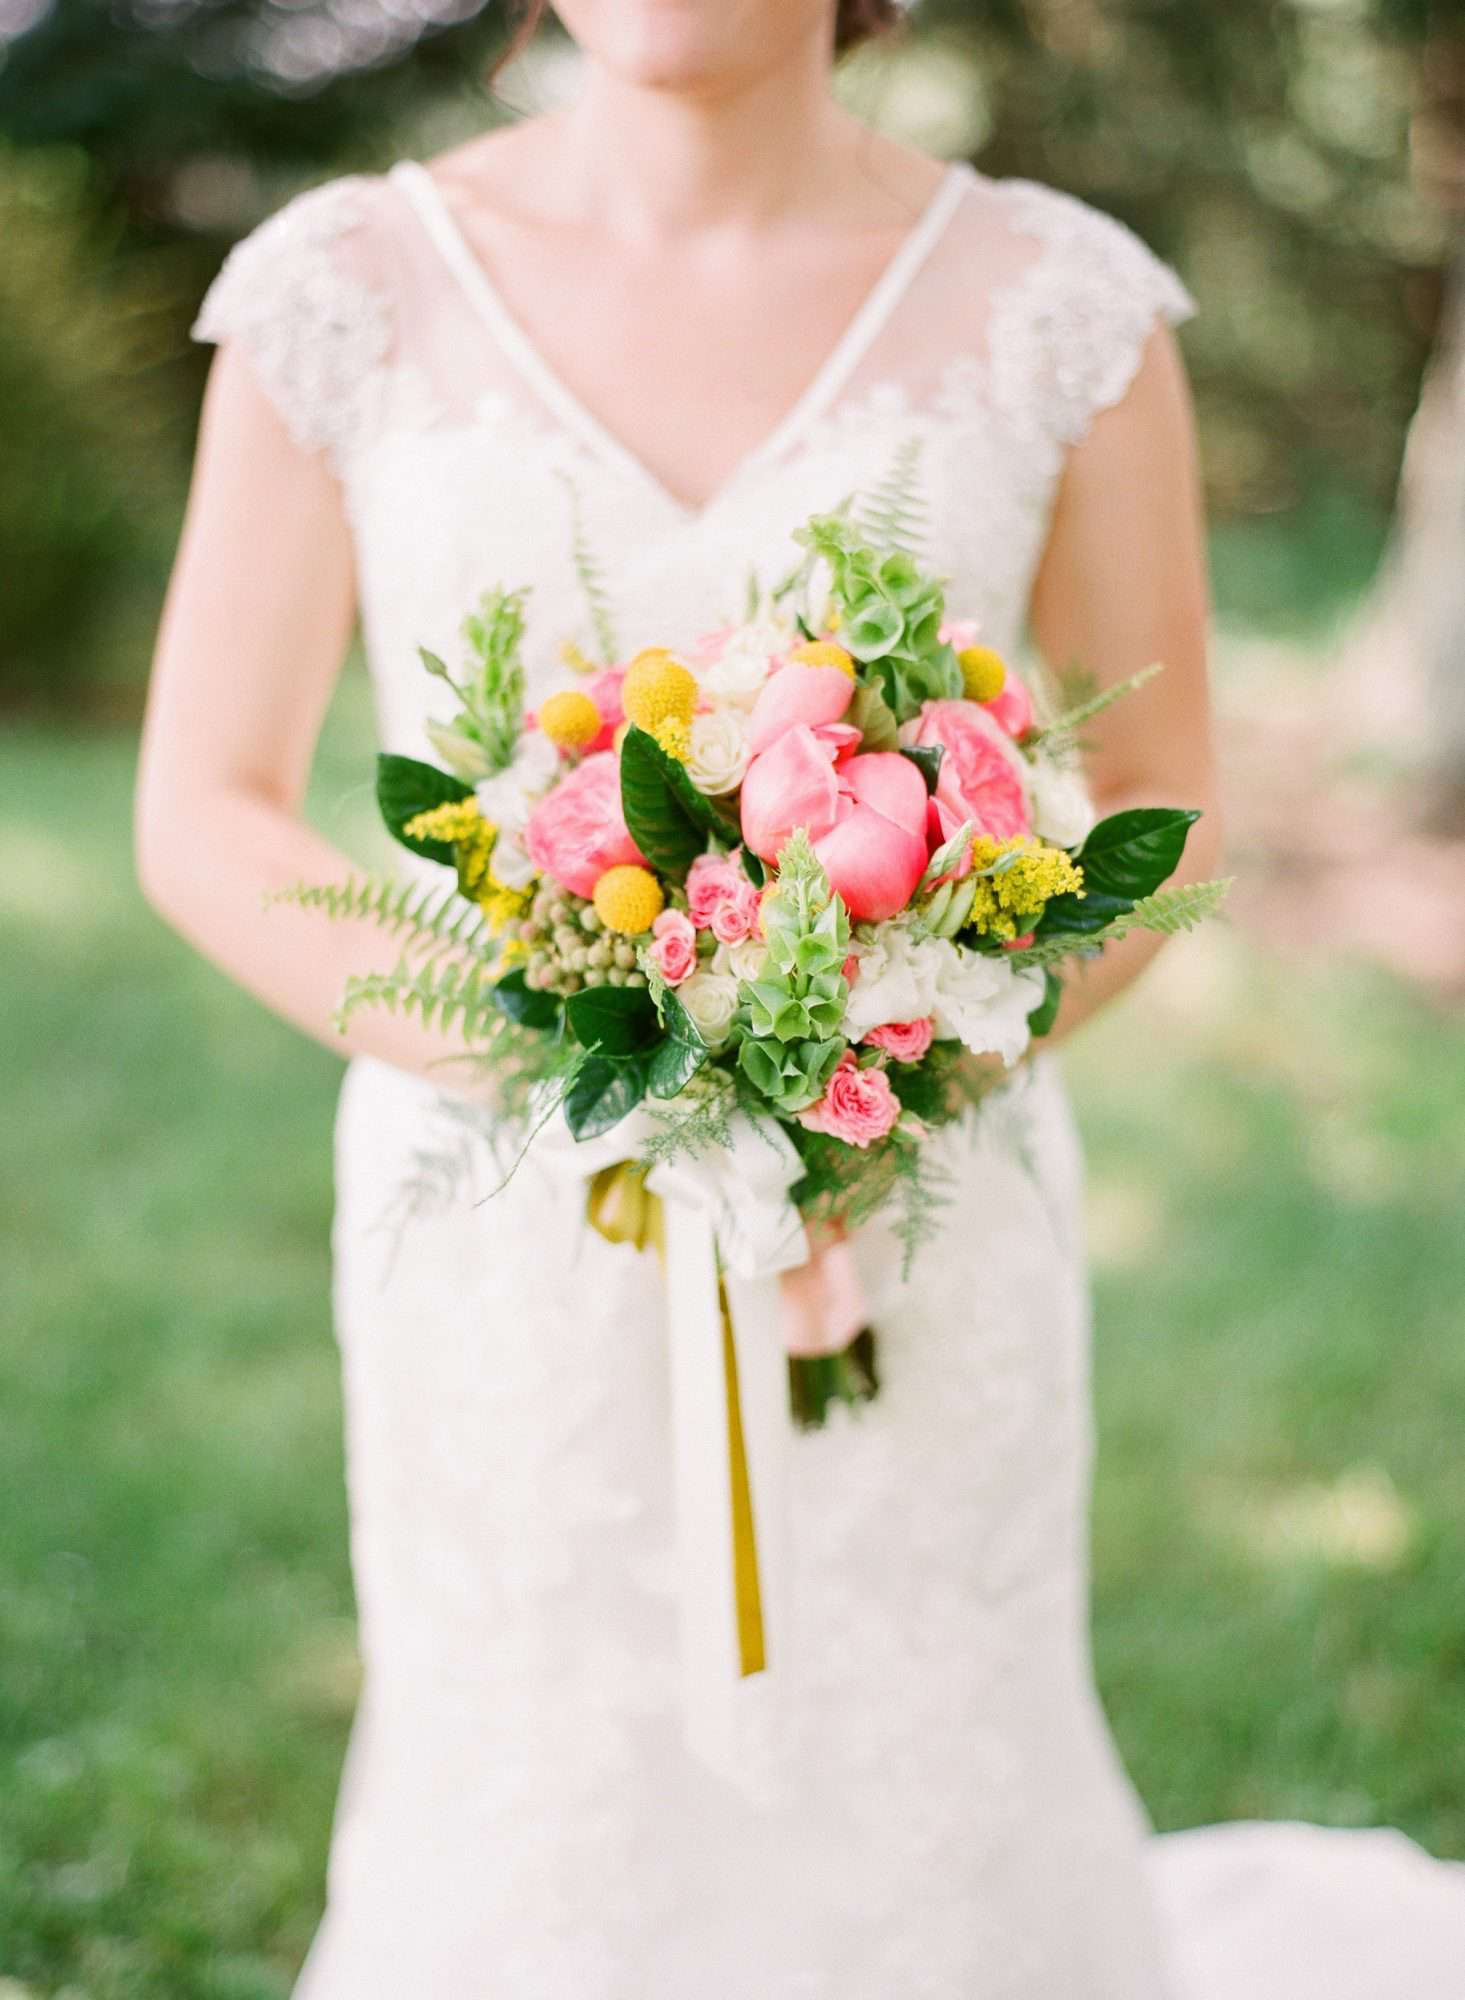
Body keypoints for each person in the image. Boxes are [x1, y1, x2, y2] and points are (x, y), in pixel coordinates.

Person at [134, 2, 1465, 1994]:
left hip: (908, 1208)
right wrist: (571, 1061)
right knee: (540, 1757)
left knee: (915, 1728)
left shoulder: (1061, 310)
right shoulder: (343, 293)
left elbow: (1166, 807)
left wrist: (886, 1064)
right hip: (503, 1222)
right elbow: (200, 807)